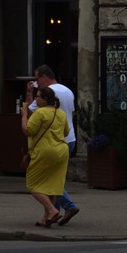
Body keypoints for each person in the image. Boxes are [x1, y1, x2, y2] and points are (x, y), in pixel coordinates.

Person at [26, 64, 80, 226]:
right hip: (69, 138)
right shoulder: (68, 91)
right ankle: (50, 215)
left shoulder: (47, 93)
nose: (36, 82)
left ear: (44, 77)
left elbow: (31, 112)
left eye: (37, 78)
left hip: (51, 142)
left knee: (46, 180)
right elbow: (70, 113)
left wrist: (29, 94)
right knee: (55, 176)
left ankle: (66, 206)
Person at [21, 86, 69, 227]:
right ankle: (46, 218)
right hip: (61, 151)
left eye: (38, 97)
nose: (36, 99)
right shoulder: (61, 113)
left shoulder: (40, 113)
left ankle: (52, 210)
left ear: (45, 99)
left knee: (33, 184)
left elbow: (28, 130)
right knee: (51, 185)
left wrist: (24, 116)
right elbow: (66, 132)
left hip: (45, 151)